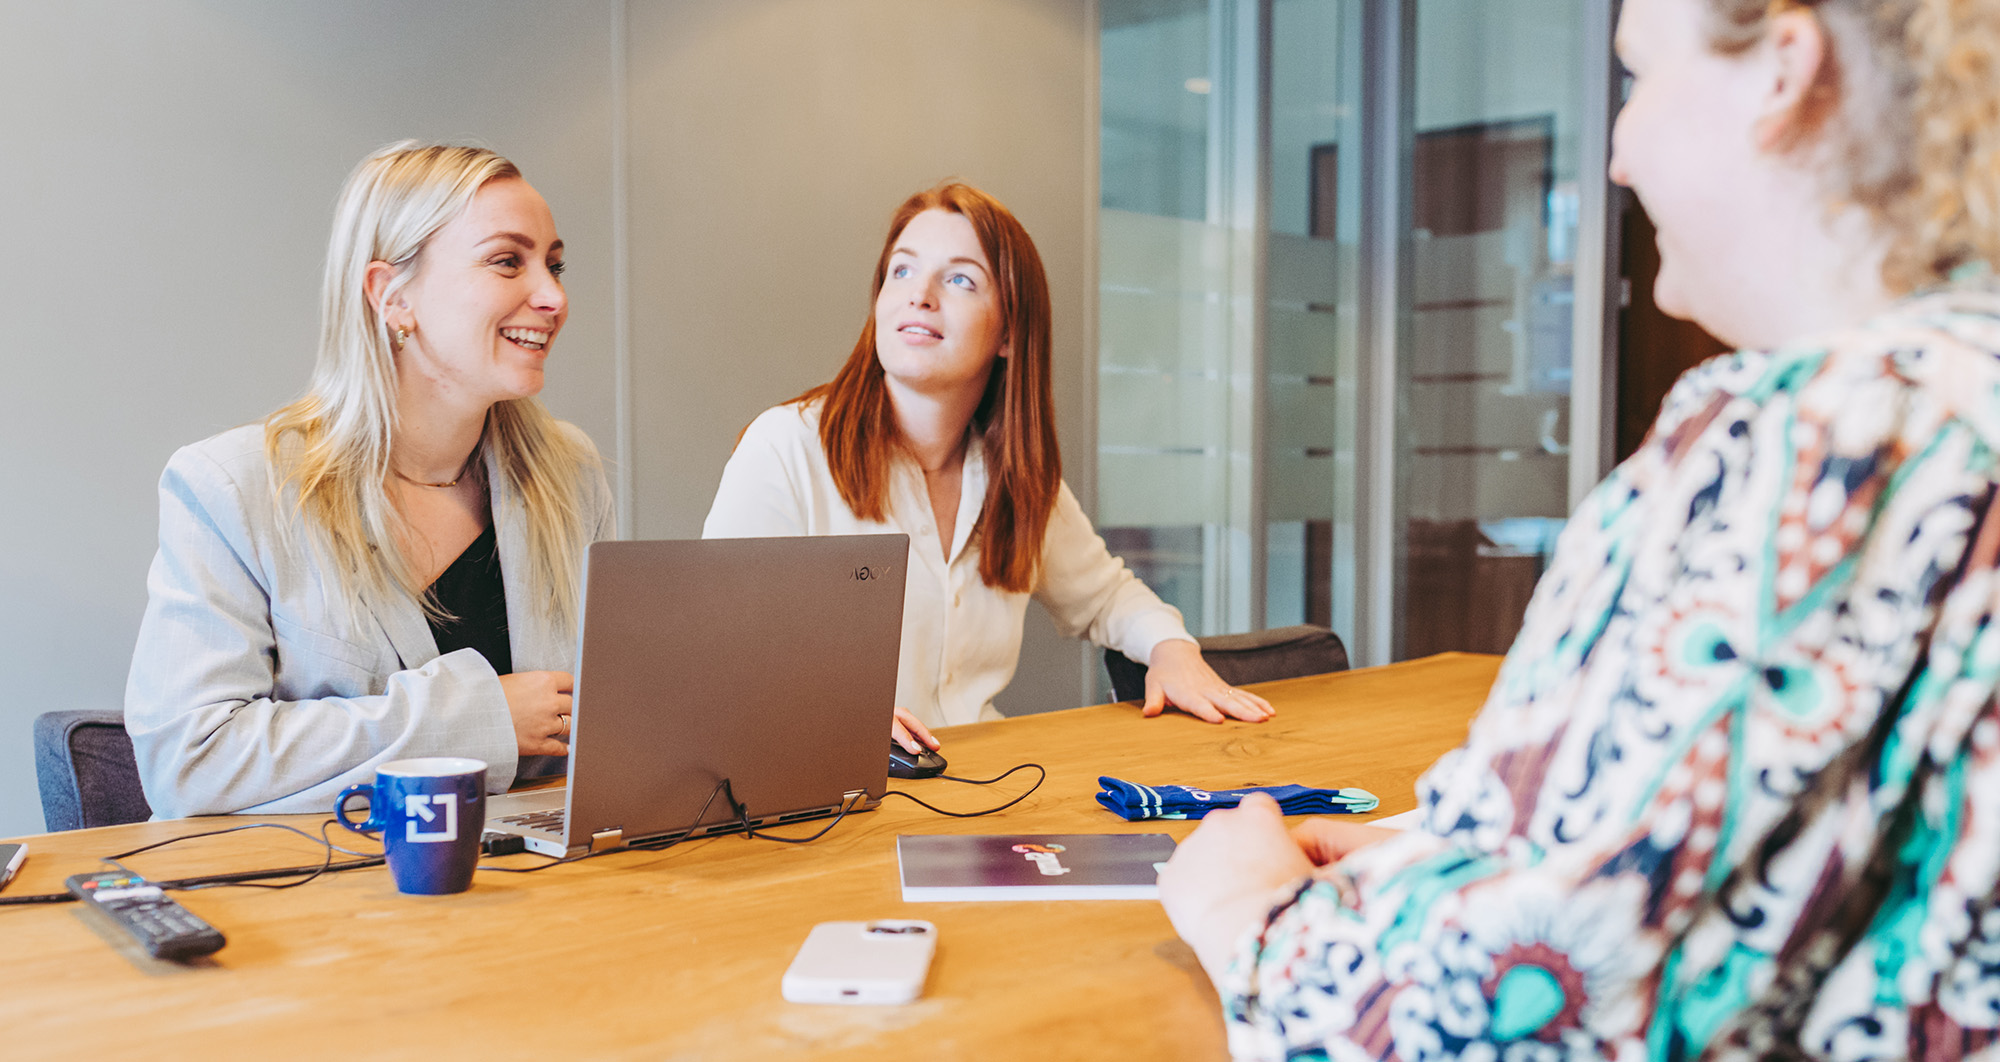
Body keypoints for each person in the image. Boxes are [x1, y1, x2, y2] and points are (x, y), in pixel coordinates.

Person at [1159, 0, 2000, 1057]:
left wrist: (1246, 911)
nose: (1614, 155)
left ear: (1782, 71)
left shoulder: (1832, 432)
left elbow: (1507, 1013)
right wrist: (1455, 852)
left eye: (1638, 77)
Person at [127, 142, 614, 818]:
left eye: (554, 265)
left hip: (536, 892)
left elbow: (604, 730)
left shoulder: (570, 473)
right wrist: (479, 719)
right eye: (508, 261)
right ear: (393, 297)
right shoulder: (233, 488)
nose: (553, 297)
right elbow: (190, 760)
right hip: (312, 901)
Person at [703, 182, 1273, 753]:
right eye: (901, 271)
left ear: (1007, 331)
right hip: (831, 805)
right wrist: (832, 712)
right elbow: (717, 651)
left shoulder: (1014, 477)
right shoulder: (785, 447)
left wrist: (1173, 650)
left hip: (979, 793)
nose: (919, 295)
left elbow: (1105, 598)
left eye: (959, 279)